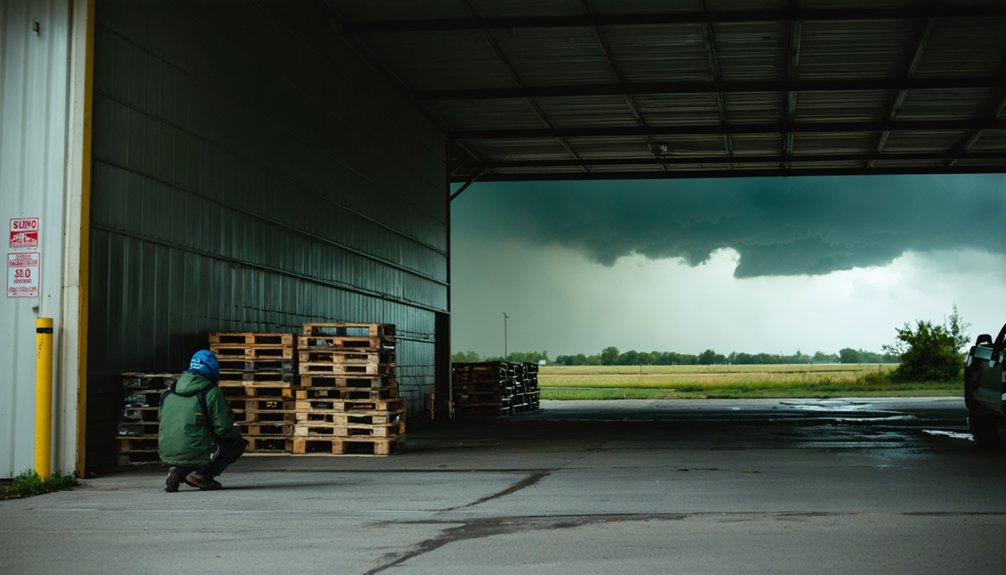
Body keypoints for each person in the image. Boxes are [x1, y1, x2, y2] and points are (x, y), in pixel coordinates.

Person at [159, 349, 245, 492]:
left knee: (193, 440)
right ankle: (201, 475)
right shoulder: (211, 391)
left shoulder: (169, 391)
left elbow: (161, 420)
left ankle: (178, 471)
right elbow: (223, 429)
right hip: (195, 448)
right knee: (236, 443)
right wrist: (235, 429)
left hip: (167, 451)